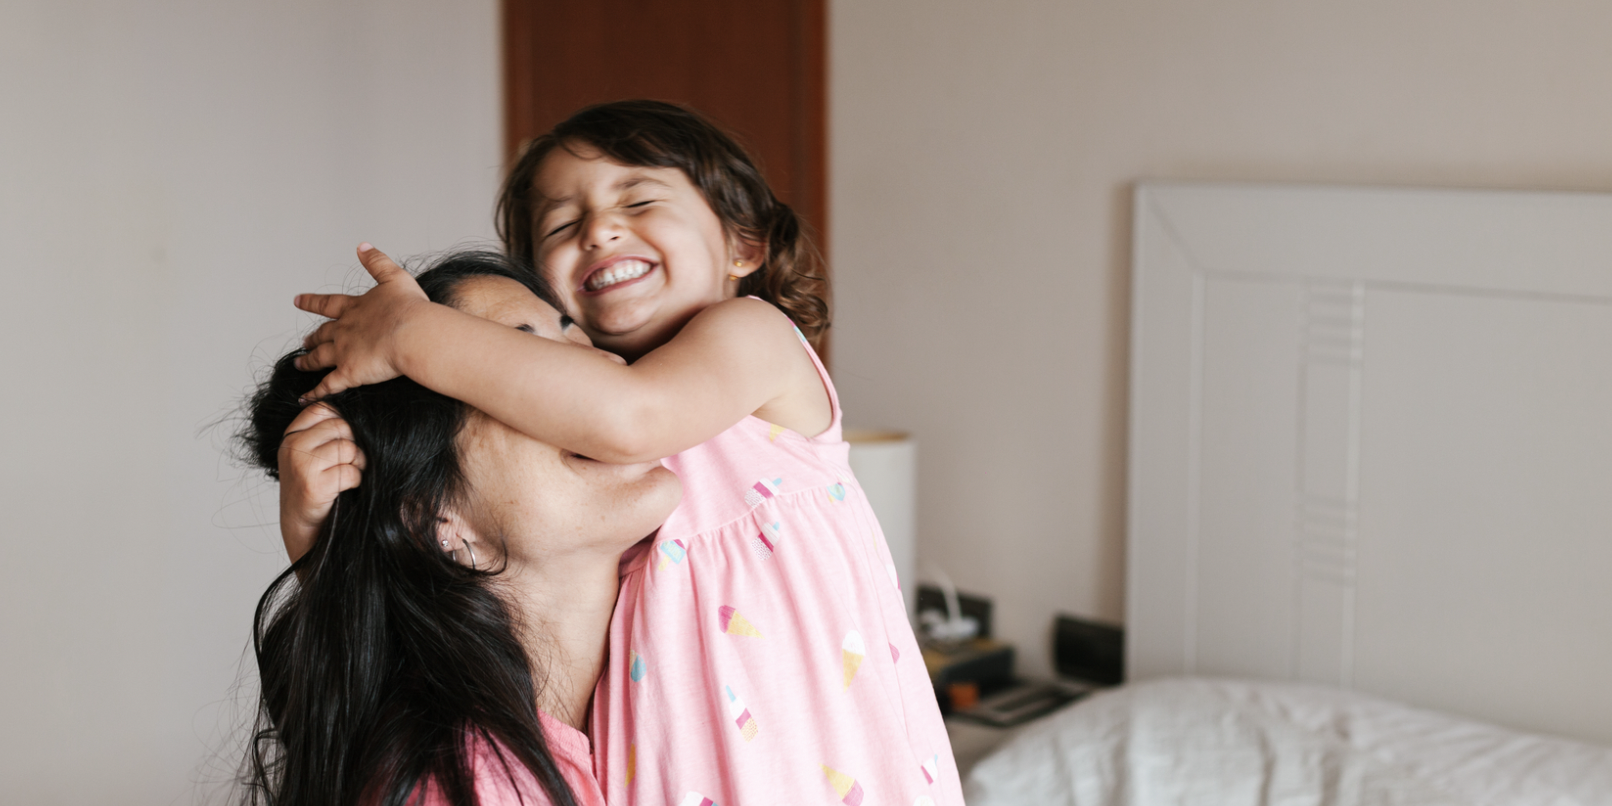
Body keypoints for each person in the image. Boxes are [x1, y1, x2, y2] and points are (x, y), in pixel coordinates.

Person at [290, 100, 963, 805]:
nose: (600, 229)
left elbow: (634, 418)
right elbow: (435, 609)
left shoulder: (751, 337)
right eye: (560, 224)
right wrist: (317, 532)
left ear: (745, 245)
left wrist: (410, 335)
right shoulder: (583, 454)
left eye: (638, 199)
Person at [240, 252, 681, 806]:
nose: (605, 371)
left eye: (579, 339)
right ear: (434, 517)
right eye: (526, 354)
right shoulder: (465, 782)